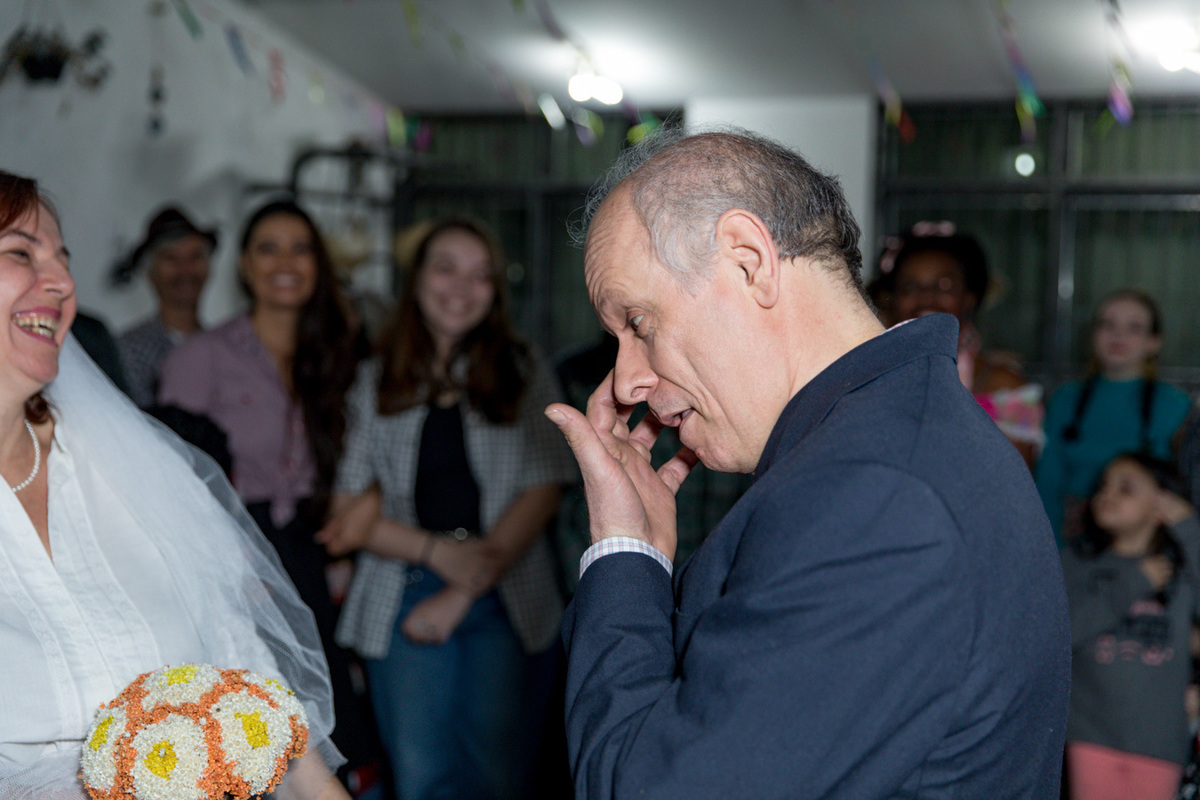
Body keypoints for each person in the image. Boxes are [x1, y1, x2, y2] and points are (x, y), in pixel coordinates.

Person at [544, 129, 1070, 799]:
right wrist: (642, 547)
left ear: (748, 262)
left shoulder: (875, 496)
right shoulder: (888, 436)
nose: (625, 382)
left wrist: (622, 552)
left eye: (640, 324)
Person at [0, 173, 349, 799]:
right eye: (21, 253)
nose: (62, 283)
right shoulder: (186, 356)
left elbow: (255, 687)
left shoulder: (129, 463)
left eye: (63, 259)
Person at [318, 218, 575, 800]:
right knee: (422, 777)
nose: (462, 287)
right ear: (416, 281)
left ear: (496, 291)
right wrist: (437, 553)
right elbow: (347, 511)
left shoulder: (523, 367)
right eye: (446, 269)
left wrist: (466, 584)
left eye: (480, 275)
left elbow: (544, 487)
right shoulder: (374, 377)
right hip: (401, 591)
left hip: (506, 592)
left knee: (500, 777)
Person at [156, 198, 375, 782]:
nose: (285, 263)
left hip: (322, 547)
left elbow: (374, 450)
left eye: (300, 249)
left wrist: (369, 503)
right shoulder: (202, 356)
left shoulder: (340, 352)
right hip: (238, 554)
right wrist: (226, 566)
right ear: (244, 265)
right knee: (262, 733)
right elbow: (170, 480)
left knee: (337, 727)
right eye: (268, 249)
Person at [1061, 452, 1200, 800]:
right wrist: (1134, 583)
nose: (1107, 494)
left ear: (1160, 504)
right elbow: (1063, 632)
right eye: (1104, 485)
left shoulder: (1181, 573)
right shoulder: (1076, 563)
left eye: (1126, 488)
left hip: (1159, 743)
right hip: (1090, 735)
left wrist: (1188, 526)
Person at [1037, 290, 1192, 545]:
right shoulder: (1065, 398)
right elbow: (1048, 482)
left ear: (1154, 342)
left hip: (1143, 540)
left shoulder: (1175, 405)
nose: (1118, 335)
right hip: (1070, 539)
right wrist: (1049, 546)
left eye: (1134, 328)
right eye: (1107, 325)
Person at [887, 224, 1043, 466]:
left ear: (969, 298)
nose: (926, 297)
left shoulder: (1006, 386)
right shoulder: (873, 380)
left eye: (944, 285)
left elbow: (1015, 481)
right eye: (910, 287)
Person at [113, 207, 215, 408]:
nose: (185, 269)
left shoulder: (222, 347)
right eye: (171, 258)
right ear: (149, 272)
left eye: (195, 256)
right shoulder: (129, 352)